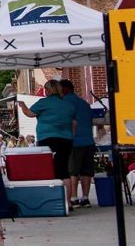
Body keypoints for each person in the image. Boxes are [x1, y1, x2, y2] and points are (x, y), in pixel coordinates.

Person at [18, 79, 76, 209]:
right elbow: (73, 123)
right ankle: (68, 202)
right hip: (66, 139)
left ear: (49, 90)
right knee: (64, 170)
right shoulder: (68, 105)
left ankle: (54, 200)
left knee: (49, 170)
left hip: (48, 139)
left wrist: (22, 106)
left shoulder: (43, 103)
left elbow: (30, 113)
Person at [61, 79, 96, 209]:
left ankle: (74, 198)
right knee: (86, 171)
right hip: (88, 140)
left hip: (74, 142)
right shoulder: (84, 104)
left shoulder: (64, 104)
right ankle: (85, 198)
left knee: (73, 171)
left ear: (64, 89)